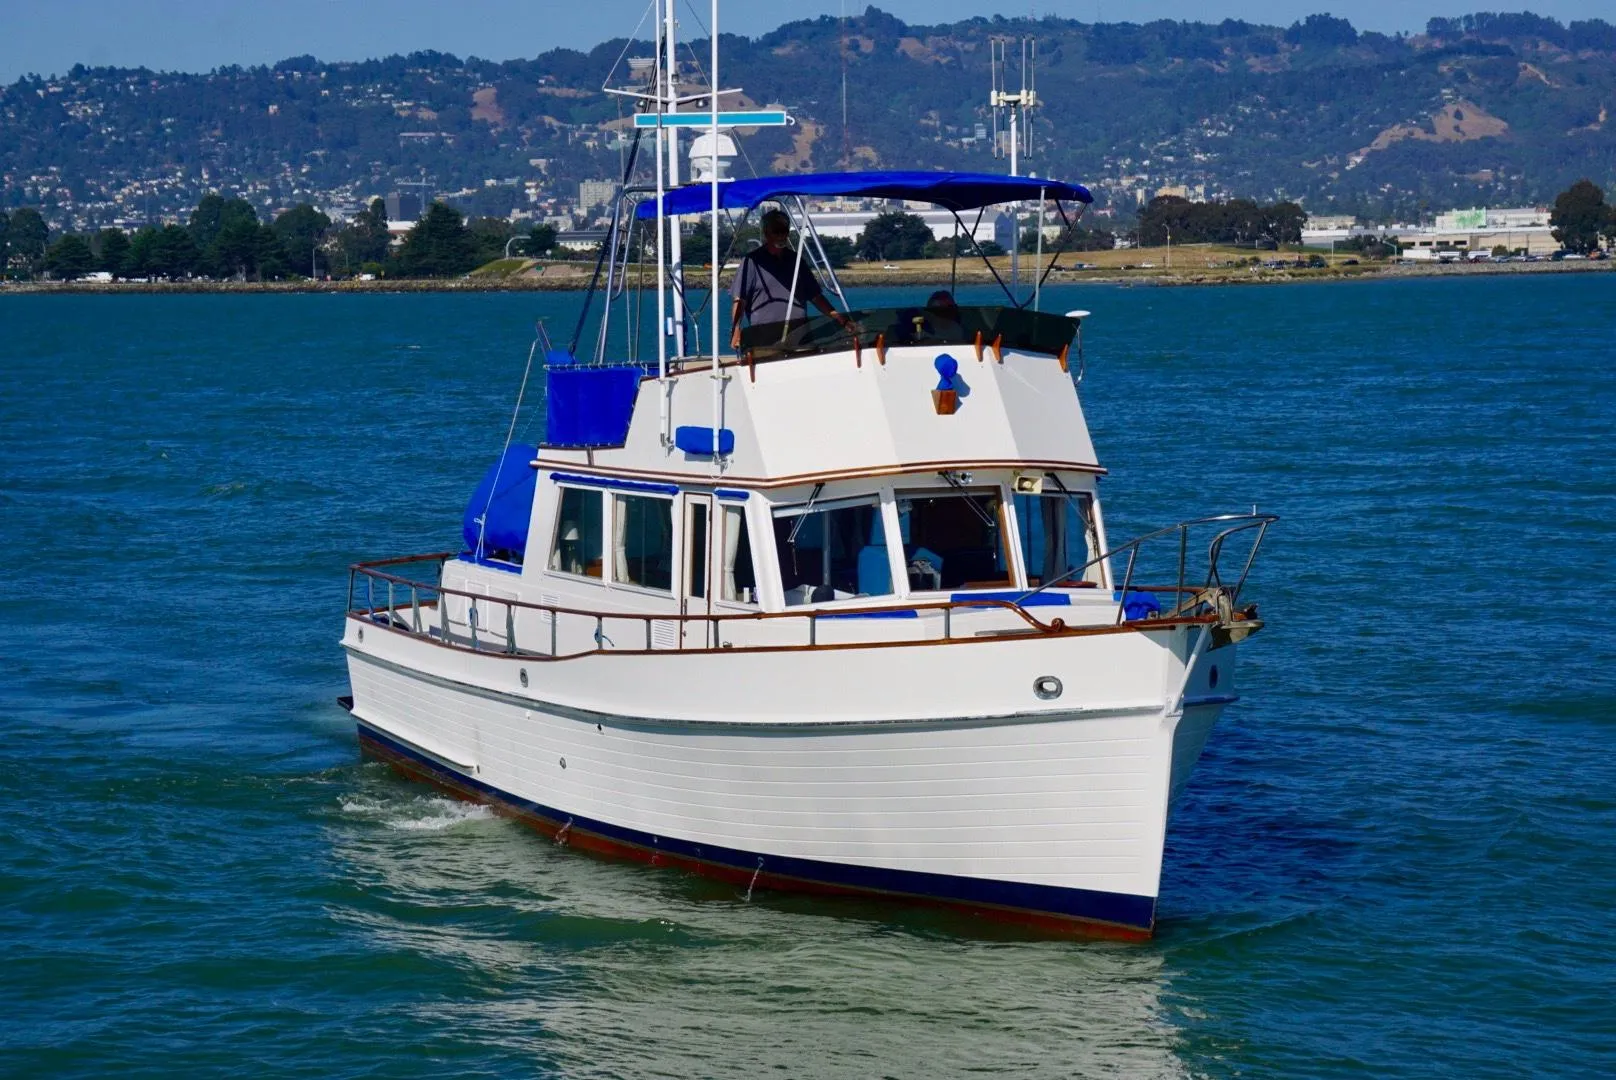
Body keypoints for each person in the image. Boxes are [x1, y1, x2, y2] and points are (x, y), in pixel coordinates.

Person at [729, 209, 854, 350]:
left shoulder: (796, 260)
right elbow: (740, 300)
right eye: (776, 231)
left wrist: (840, 318)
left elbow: (815, 297)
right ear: (766, 233)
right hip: (765, 339)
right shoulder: (751, 261)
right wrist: (736, 329)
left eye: (784, 231)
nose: (781, 235)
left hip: (800, 336)